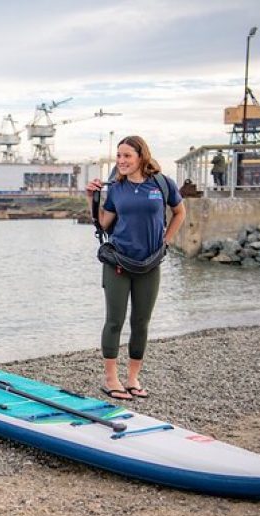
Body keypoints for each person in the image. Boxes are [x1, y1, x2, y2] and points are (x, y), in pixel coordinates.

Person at [86, 135, 186, 400]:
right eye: (119, 156)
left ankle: (132, 378)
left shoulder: (162, 184)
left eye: (127, 156)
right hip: (118, 261)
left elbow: (180, 212)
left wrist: (166, 241)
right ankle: (111, 379)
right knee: (114, 321)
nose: (121, 161)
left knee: (141, 322)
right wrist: (91, 198)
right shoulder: (116, 188)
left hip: (150, 264)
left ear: (141, 156)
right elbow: (104, 223)